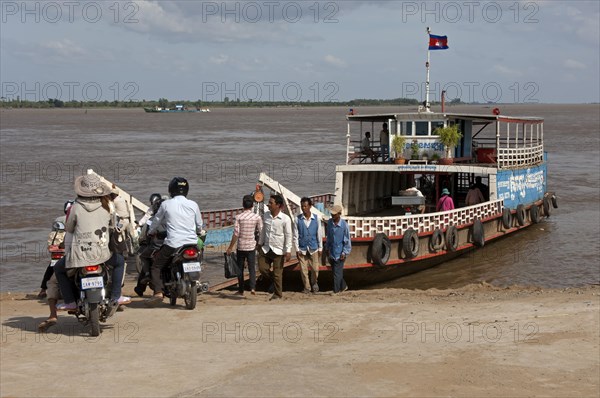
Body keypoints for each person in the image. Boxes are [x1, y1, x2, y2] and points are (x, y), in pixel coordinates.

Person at [54, 174, 128, 313]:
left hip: (79, 254)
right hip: (102, 254)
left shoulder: (75, 207)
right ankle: (116, 296)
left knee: (58, 269)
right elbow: (113, 226)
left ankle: (70, 302)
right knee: (119, 262)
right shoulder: (107, 206)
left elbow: (69, 228)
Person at [145, 177, 203, 306]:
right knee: (199, 258)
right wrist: (198, 231)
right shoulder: (193, 204)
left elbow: (156, 221)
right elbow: (199, 224)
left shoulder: (166, 204)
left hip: (173, 243)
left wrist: (150, 232)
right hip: (191, 243)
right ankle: (198, 281)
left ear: (171, 190)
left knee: (156, 265)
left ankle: (158, 292)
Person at [257, 194, 292, 300]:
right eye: (269, 202)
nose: (268, 205)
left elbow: (288, 235)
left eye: (271, 203)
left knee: (278, 274)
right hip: (266, 248)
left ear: (278, 205)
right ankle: (274, 281)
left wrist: (288, 250)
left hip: (279, 250)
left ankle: (278, 294)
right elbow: (263, 231)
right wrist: (259, 243)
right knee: (262, 268)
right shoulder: (266, 216)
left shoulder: (285, 219)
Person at [226, 195, 263, 296]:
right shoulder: (257, 217)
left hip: (241, 246)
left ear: (243, 205)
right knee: (252, 268)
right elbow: (261, 231)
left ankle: (241, 289)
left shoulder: (239, 217)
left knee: (240, 268)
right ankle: (253, 288)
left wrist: (230, 247)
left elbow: (236, 234)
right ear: (252, 205)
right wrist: (259, 244)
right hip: (251, 246)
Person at [133, 194, 167, 297]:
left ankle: (143, 283)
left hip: (156, 245)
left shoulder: (153, 220)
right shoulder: (172, 216)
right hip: (171, 244)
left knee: (144, 256)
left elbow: (147, 232)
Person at [38, 200, 73, 299]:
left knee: (51, 267)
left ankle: (43, 289)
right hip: (71, 248)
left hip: (59, 248)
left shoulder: (58, 219)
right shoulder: (78, 218)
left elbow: (53, 235)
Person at [293, 197, 323, 294]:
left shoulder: (316, 219)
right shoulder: (297, 219)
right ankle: (307, 287)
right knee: (303, 270)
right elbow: (295, 235)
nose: (304, 208)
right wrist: (297, 249)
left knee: (315, 268)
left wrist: (320, 247)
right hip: (302, 248)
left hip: (313, 247)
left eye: (305, 206)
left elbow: (319, 234)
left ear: (310, 206)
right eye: (302, 206)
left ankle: (314, 283)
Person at [325, 204, 351, 294]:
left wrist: (344, 252)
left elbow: (347, 240)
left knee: (337, 273)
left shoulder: (344, 225)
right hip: (332, 251)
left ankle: (336, 291)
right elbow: (328, 236)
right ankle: (343, 286)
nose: (332, 216)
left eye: (334, 214)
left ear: (339, 214)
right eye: (332, 214)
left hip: (340, 253)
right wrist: (327, 248)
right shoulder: (329, 223)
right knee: (336, 272)